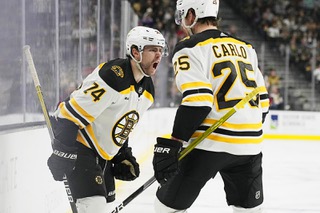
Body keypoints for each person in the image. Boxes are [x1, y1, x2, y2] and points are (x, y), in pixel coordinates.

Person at [152, 0, 270, 212]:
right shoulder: (247, 48)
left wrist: (175, 142)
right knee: (248, 210)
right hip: (250, 146)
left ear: (191, 15)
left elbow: (198, 101)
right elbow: (263, 104)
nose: (182, 23)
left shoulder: (189, 47)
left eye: (183, 16)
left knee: (166, 207)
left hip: (209, 144)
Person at [47, 26, 168, 213]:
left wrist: (122, 154)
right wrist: (63, 150)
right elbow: (69, 114)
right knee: (93, 206)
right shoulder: (113, 76)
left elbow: (121, 121)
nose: (158, 55)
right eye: (153, 50)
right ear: (135, 52)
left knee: (103, 206)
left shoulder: (148, 89)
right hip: (80, 145)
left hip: (103, 156)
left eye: (161, 50)